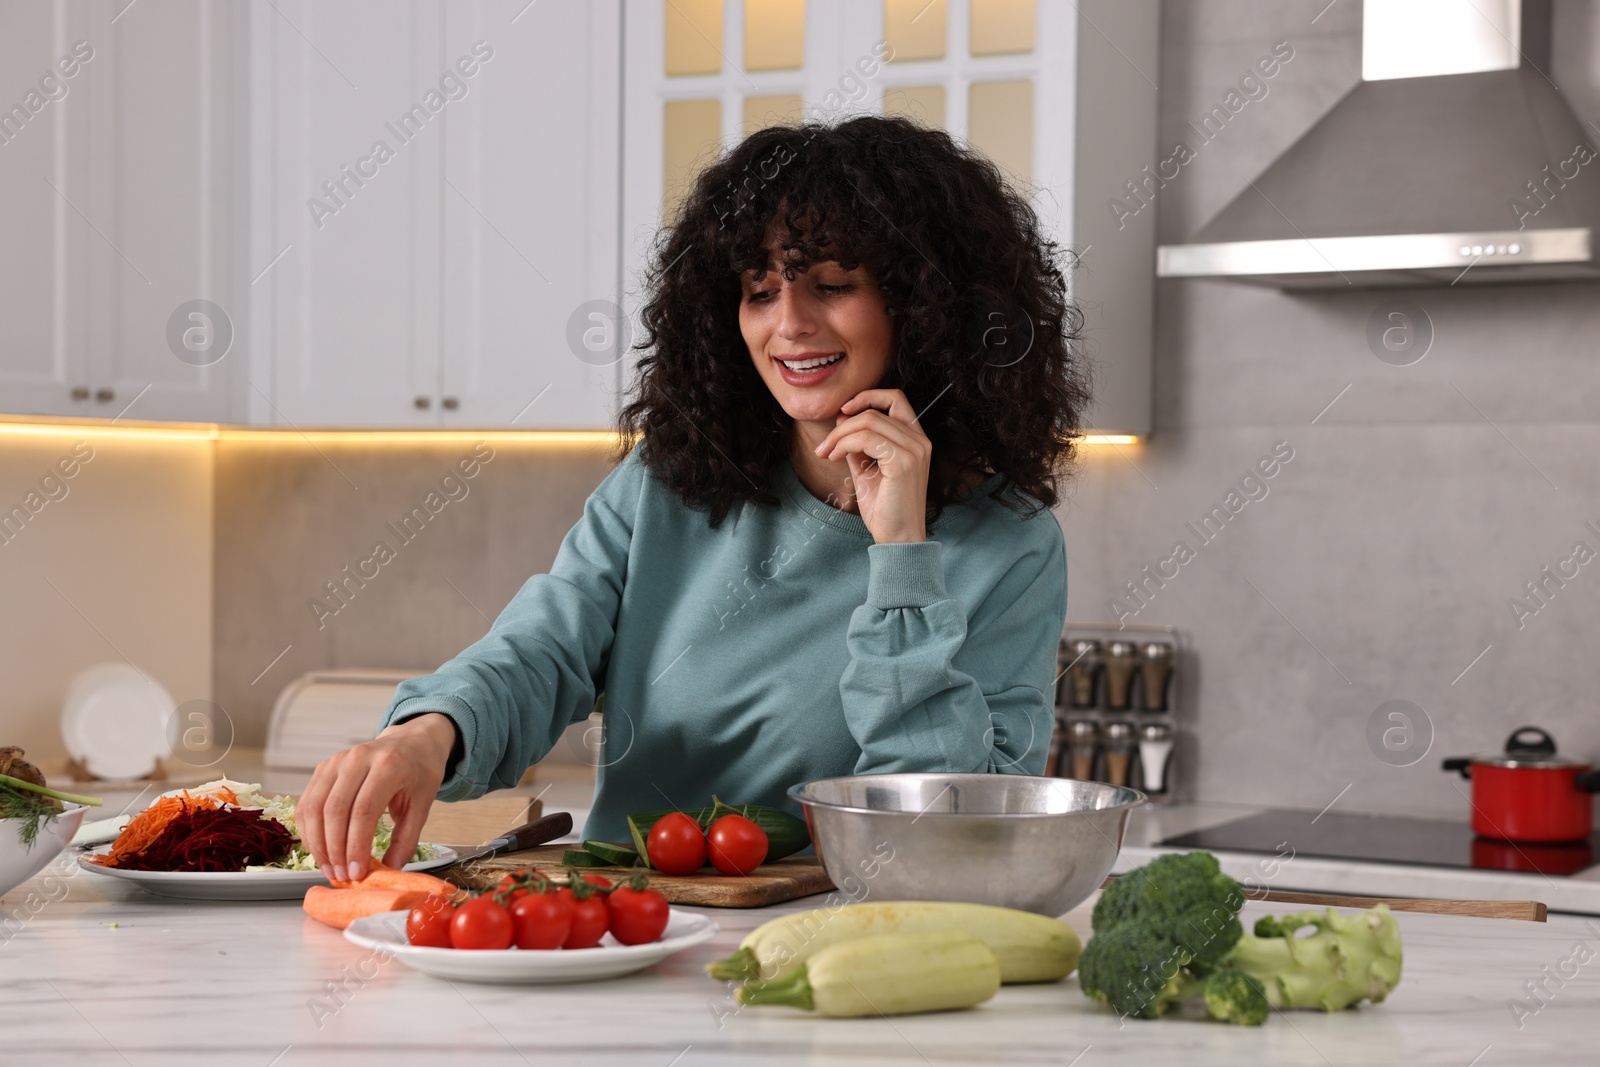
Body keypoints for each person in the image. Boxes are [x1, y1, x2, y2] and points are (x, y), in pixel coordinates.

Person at [298, 115, 1089, 883]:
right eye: (759, 291)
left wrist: (903, 558)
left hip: (848, 956)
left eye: (833, 285)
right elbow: (543, 648)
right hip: (625, 938)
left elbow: (951, 824)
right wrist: (430, 732)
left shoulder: (1009, 546)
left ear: (925, 306)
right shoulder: (667, 483)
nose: (790, 325)